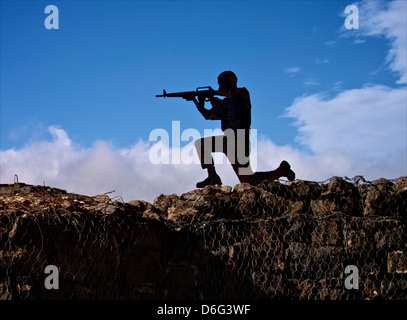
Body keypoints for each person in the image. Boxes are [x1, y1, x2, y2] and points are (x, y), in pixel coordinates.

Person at [191, 71, 295, 188]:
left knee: (202, 145)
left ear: (228, 83)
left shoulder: (242, 94)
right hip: (231, 142)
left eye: (221, 84)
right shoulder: (225, 103)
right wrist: (198, 102)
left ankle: (213, 176)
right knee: (248, 180)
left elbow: (232, 102)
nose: (219, 87)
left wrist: (214, 99)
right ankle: (281, 171)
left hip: (238, 141)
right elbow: (209, 116)